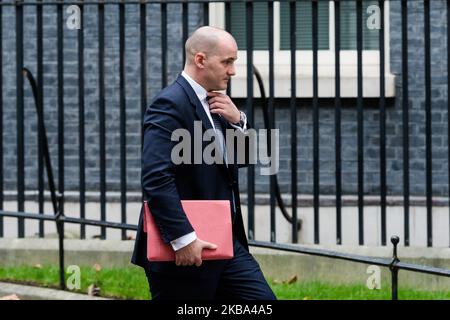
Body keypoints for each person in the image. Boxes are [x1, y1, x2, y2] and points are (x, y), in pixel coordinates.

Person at [131, 26, 276, 300]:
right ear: (200, 60)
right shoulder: (170, 104)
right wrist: (184, 240)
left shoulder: (217, 102)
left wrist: (239, 122)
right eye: (227, 62)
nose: (232, 71)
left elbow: (240, 161)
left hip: (224, 242)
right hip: (184, 250)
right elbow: (156, 178)